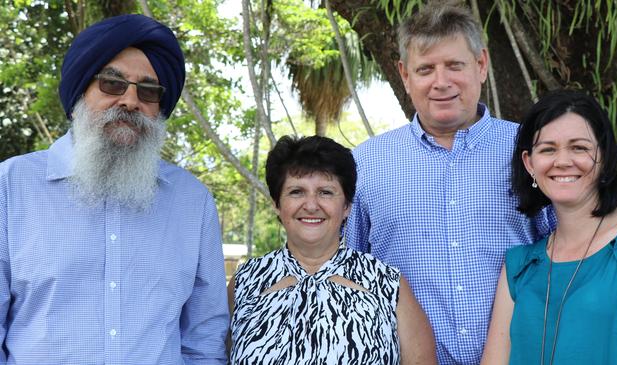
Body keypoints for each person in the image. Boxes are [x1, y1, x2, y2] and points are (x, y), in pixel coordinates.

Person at [0, 14, 229, 364]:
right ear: (80, 91)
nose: (130, 101)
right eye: (112, 83)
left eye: (148, 91)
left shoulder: (192, 202)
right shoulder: (10, 188)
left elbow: (205, 337)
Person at [344, 3, 554, 364]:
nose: (441, 82)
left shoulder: (533, 151)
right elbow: (346, 276)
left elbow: (569, 255)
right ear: (404, 75)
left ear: (481, 65)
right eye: (425, 69)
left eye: (454, 65)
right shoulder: (364, 165)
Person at [228, 135, 437, 364]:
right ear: (278, 205)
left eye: (325, 192)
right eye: (296, 191)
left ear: (346, 206)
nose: (310, 205)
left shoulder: (388, 284)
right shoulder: (244, 282)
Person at [481, 90, 617, 364]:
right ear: (530, 163)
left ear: (603, 156)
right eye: (548, 149)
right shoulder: (518, 266)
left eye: (579, 147)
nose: (562, 161)